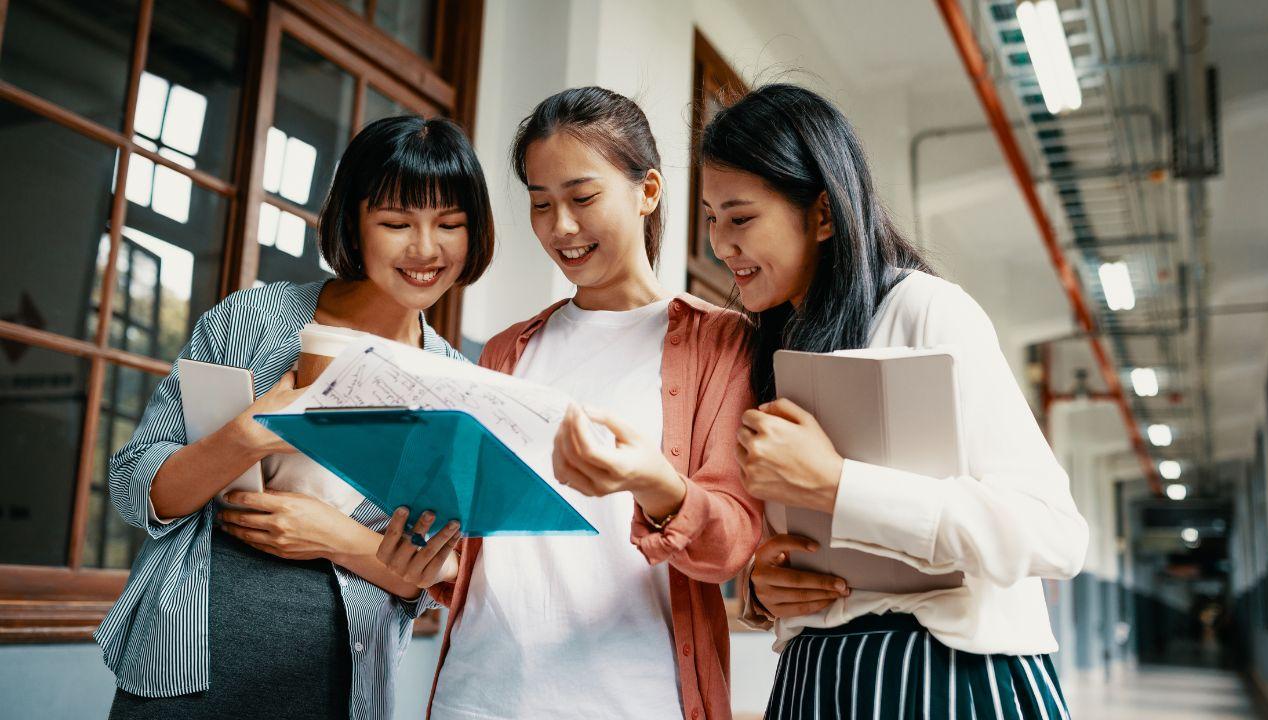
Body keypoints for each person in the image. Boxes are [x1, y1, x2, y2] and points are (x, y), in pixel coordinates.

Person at [700, 84, 1088, 719]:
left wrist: (838, 485)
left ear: (823, 214)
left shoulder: (925, 309)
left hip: (947, 675)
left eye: (740, 218)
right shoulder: (771, 349)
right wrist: (767, 586)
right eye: (711, 219)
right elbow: (798, 550)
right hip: (817, 680)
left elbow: (1056, 536)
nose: (721, 244)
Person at [376, 87, 764, 720]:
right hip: (477, 696)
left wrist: (658, 487)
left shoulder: (720, 343)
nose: (561, 227)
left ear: (647, 191)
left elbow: (731, 545)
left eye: (582, 198)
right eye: (540, 203)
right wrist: (430, 563)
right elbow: (486, 549)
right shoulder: (506, 350)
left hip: (633, 700)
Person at [97, 115, 493, 720]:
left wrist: (332, 536)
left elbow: (439, 570)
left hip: (341, 686)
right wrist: (248, 435)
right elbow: (137, 488)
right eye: (396, 223)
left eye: (450, 224)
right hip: (184, 666)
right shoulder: (258, 319)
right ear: (353, 223)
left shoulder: (458, 385)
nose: (424, 249)